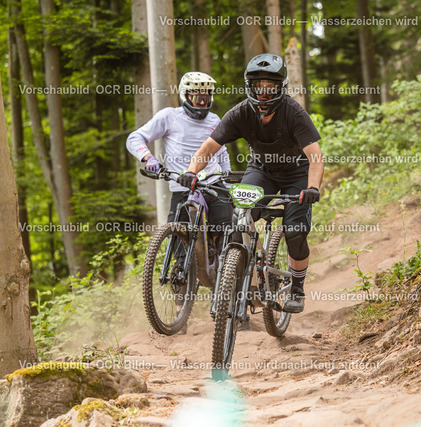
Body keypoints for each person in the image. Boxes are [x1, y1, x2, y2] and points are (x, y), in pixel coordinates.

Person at [178, 54, 324, 314]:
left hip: (296, 174)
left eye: (271, 88)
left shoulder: (294, 113)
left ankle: (297, 288)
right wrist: (191, 171)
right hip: (262, 171)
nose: (264, 93)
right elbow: (208, 148)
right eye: (259, 87)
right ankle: (241, 281)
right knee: (240, 218)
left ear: (281, 87)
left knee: (295, 231)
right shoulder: (240, 113)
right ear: (250, 87)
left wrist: (312, 188)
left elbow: (315, 156)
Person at [126, 72, 233, 331]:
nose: (202, 100)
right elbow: (135, 137)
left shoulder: (216, 120)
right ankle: (179, 315)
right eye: (197, 95)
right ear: (185, 94)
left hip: (214, 185)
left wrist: (228, 183)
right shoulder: (169, 116)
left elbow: (222, 154)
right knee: (179, 245)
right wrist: (149, 159)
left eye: (206, 95)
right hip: (182, 187)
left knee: (227, 237)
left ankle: (231, 305)